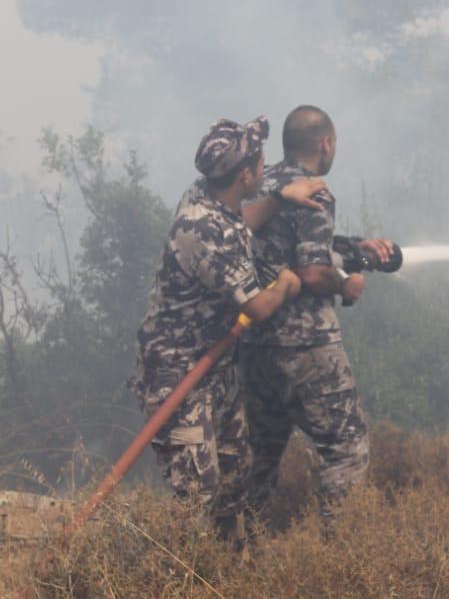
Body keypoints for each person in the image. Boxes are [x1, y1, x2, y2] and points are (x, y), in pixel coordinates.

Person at [132, 115, 327, 540]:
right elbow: (257, 306)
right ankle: (185, 590)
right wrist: (287, 284)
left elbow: (240, 224)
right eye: (260, 162)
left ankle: (229, 577)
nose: (266, 166)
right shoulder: (201, 228)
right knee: (197, 495)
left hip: (214, 366)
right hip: (178, 374)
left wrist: (278, 196)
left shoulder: (210, 192)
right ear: (245, 173)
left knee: (236, 476)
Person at [240, 105, 395, 524]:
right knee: (347, 444)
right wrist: (346, 284)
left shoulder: (261, 186)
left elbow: (277, 247)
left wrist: (352, 248)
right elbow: (310, 272)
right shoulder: (315, 191)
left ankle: (229, 549)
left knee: (259, 453)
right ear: (325, 143)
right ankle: (337, 553)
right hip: (305, 345)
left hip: (253, 344)